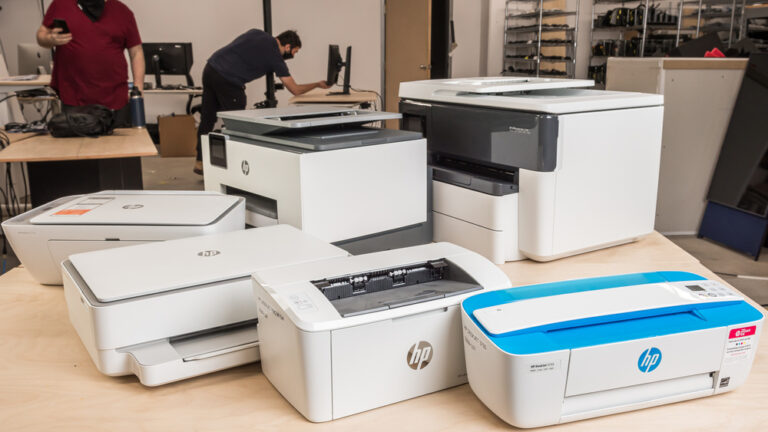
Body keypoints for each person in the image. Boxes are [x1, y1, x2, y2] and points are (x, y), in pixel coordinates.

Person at [194, 29, 330, 175]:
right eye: (294, 52)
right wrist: (317, 84)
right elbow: (295, 89)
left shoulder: (257, 33)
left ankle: (200, 162)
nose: (293, 56)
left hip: (211, 68)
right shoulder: (275, 57)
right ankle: (234, 168)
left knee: (207, 119)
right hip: (228, 80)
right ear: (287, 46)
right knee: (236, 125)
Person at [37, 0, 144, 127]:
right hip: (74, 97)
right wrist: (50, 38)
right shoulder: (61, 4)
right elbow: (41, 34)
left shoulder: (123, 12)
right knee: (76, 139)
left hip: (116, 99)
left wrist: (138, 89)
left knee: (119, 139)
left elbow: (136, 52)